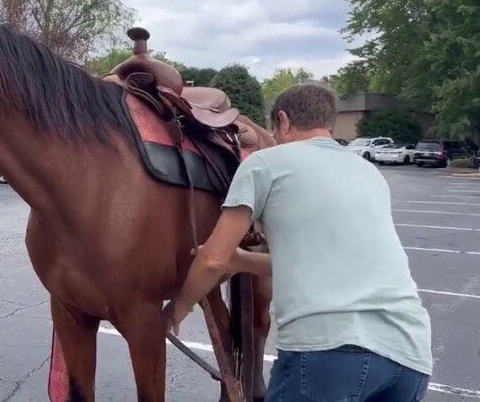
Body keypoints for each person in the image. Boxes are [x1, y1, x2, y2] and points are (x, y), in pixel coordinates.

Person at [164, 85, 432, 401]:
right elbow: (326, 257)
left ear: (283, 120)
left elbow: (212, 260)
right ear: (328, 123)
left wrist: (174, 312)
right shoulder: (368, 171)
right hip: (410, 356)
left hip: (329, 353)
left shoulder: (265, 164)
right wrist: (242, 261)